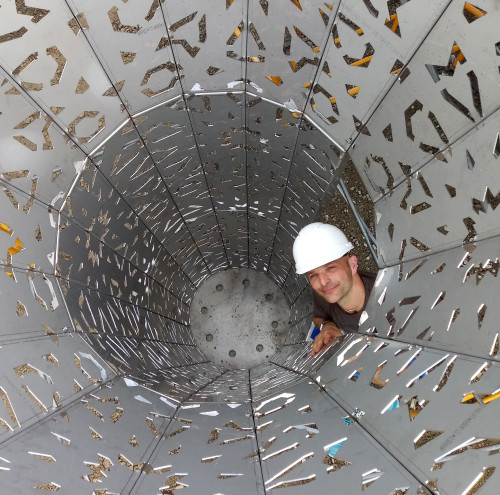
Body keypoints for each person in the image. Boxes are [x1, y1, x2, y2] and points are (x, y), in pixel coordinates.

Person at [293, 222, 376, 356]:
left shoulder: (390, 298)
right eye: (313, 275)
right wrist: (327, 325)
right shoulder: (324, 293)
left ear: (352, 265)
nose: (323, 282)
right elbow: (318, 317)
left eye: (330, 268)